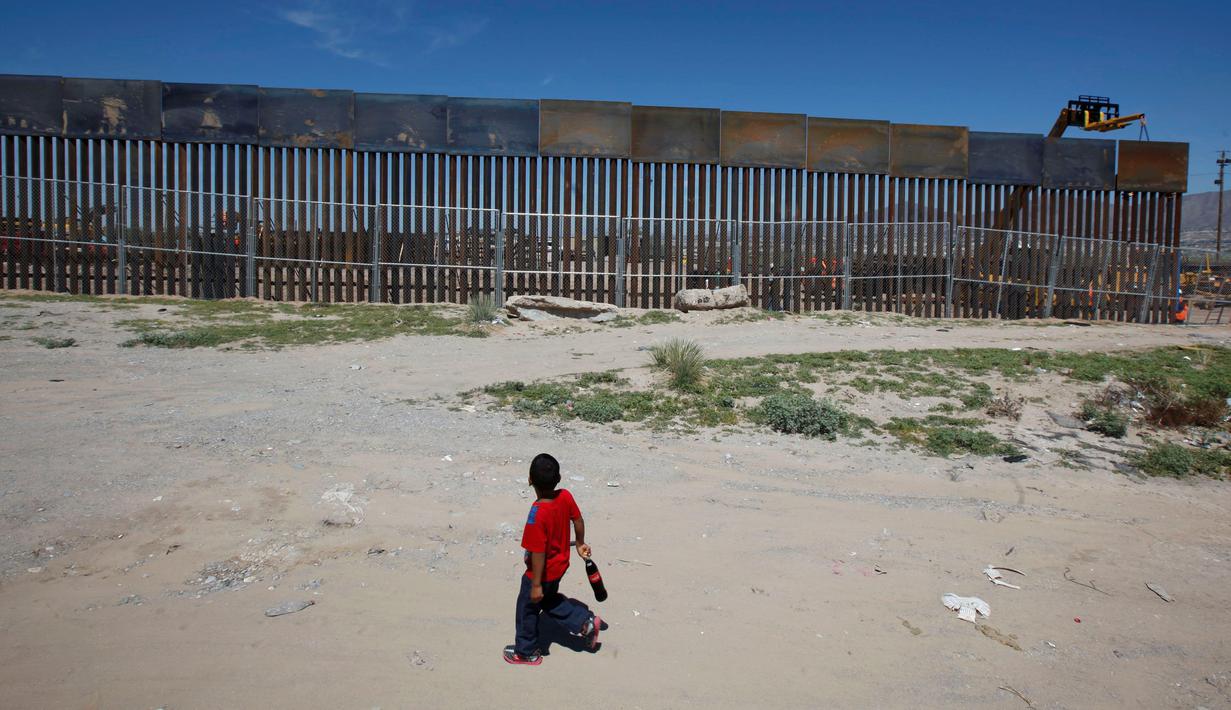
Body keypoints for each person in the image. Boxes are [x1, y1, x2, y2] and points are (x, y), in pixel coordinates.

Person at [504, 453, 602, 665]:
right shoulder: (565, 496)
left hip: (539, 573)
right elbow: (578, 519)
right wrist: (580, 542)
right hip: (560, 565)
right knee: (549, 600)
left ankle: (526, 651)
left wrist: (536, 584)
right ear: (558, 478)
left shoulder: (537, 514)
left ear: (530, 480)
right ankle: (584, 623)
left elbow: (537, 552)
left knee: (526, 608)